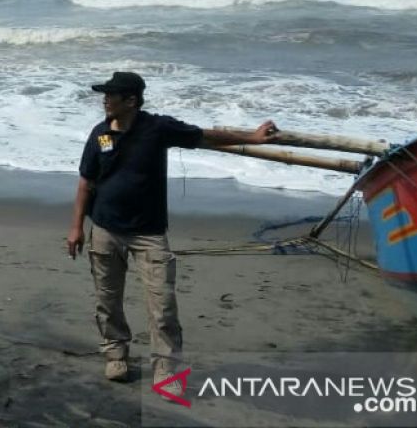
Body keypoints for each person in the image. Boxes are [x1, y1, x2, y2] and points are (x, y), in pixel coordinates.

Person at [65, 71, 278, 386]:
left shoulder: (157, 128)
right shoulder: (100, 135)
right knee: (107, 300)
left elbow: (204, 135)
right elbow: (86, 181)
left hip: (148, 233)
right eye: (105, 94)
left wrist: (252, 138)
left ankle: (166, 371)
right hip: (105, 229)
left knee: (163, 306)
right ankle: (116, 356)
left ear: (132, 100)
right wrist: (76, 228)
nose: (105, 100)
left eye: (111, 95)